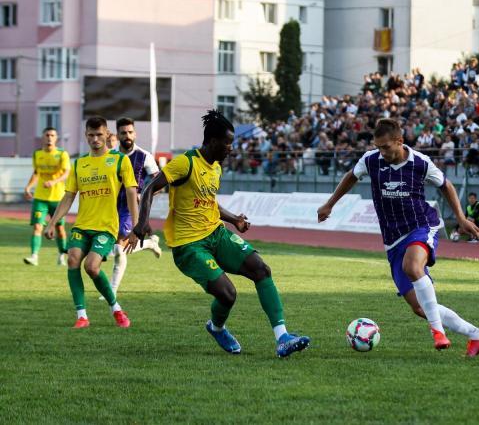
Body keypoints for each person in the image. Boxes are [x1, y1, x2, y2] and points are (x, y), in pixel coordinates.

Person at [131, 109, 310, 357]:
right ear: (212, 142)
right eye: (227, 143)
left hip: (217, 233)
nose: (231, 148)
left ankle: (283, 338)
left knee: (261, 269)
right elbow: (150, 188)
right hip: (189, 245)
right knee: (228, 294)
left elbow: (209, 202)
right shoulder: (186, 162)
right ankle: (217, 328)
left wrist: (234, 219)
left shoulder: (215, 168)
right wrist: (142, 222)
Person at [317, 118, 479, 357]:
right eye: (378, 147)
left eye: (386, 147)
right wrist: (329, 204)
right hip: (393, 239)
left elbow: (446, 186)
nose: (382, 152)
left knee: (412, 266)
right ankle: (478, 336)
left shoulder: (420, 163)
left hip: (421, 225)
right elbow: (351, 176)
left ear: (399, 141)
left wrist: (461, 218)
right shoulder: (370, 160)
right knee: (420, 307)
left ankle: (438, 332)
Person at [44, 116, 138, 328]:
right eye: (91, 135)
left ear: (107, 135)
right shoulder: (79, 164)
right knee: (72, 260)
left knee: (92, 267)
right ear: (86, 136)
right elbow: (68, 196)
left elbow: (132, 192)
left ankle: (116, 309)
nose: (95, 139)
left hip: (106, 227)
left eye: (99, 134)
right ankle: (82, 316)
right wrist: (52, 223)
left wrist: (137, 225)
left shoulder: (120, 161)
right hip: (82, 225)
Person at [103, 117, 161, 299]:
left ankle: (111, 291)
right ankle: (149, 243)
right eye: (123, 133)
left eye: (130, 132)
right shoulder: (110, 156)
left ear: (134, 134)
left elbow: (159, 183)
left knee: (119, 250)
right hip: (110, 208)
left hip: (130, 209)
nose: (127, 136)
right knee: (114, 248)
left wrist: (142, 195)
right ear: (117, 135)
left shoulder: (144, 156)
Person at [23, 127, 70, 266]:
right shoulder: (37, 154)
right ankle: (34, 256)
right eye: (47, 135)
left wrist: (53, 182)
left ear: (56, 138)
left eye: (52, 135)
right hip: (40, 198)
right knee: (38, 226)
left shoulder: (62, 154)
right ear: (43, 137)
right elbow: (36, 173)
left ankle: (62, 255)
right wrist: (28, 187)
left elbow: (66, 173)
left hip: (58, 198)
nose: (49, 137)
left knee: (60, 229)